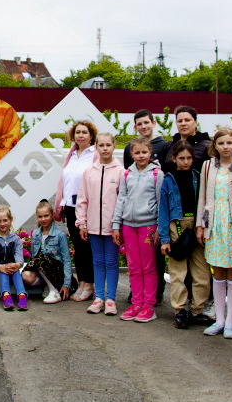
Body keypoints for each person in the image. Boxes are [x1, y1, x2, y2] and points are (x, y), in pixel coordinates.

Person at [196, 126, 232, 339]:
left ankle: (230, 322)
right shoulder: (208, 166)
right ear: (215, 146)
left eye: (229, 142)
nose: (225, 147)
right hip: (214, 226)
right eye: (221, 143)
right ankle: (219, 320)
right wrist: (201, 224)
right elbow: (202, 197)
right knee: (217, 272)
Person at [159, 140, 209, 329]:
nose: (186, 162)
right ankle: (179, 310)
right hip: (176, 226)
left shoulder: (198, 177)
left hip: (196, 227)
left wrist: (203, 227)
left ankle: (197, 309)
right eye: (182, 158)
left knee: (201, 272)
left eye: (189, 158)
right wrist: (165, 239)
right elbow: (163, 211)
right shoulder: (168, 180)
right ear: (174, 158)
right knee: (178, 272)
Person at [112, 136, 162, 323]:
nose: (141, 156)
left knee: (148, 267)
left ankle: (149, 305)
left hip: (148, 226)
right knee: (133, 267)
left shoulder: (157, 174)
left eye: (144, 152)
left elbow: (160, 202)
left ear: (150, 153)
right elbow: (121, 199)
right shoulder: (126, 174)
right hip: (128, 227)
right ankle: (137, 303)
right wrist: (117, 225)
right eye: (137, 152)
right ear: (131, 154)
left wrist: (159, 228)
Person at [76, 131, 123, 315]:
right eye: (101, 145)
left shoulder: (120, 172)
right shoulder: (89, 172)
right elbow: (83, 199)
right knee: (97, 261)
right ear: (96, 147)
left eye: (108, 145)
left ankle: (110, 299)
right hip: (94, 226)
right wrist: (82, 223)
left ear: (114, 146)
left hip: (113, 228)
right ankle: (99, 298)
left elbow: (122, 200)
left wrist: (118, 225)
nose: (105, 149)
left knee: (111, 262)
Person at [53, 119, 97, 301]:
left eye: (84, 132)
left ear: (91, 135)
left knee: (87, 247)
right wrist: (61, 204)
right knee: (78, 247)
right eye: (78, 132)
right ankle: (82, 283)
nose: (81, 135)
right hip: (70, 207)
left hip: (87, 208)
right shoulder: (71, 155)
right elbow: (66, 181)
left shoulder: (95, 155)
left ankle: (90, 284)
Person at [21, 200, 72, 304]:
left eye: (46, 216)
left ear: (52, 215)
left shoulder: (59, 234)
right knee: (26, 275)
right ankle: (47, 285)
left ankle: (54, 291)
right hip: (42, 269)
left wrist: (66, 284)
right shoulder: (36, 234)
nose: (43, 219)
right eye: (40, 217)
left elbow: (67, 260)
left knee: (41, 258)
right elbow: (34, 258)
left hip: (56, 270)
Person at [0, 205, 26, 310]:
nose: (2, 224)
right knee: (4, 269)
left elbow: (18, 254)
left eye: (5, 220)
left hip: (13, 271)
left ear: (10, 220)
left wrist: (18, 264)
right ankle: (6, 296)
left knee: (14, 269)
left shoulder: (16, 239)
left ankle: (22, 296)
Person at [174, 105, 212, 171]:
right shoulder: (169, 146)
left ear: (196, 122)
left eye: (187, 120)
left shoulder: (207, 146)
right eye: (180, 121)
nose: (183, 124)